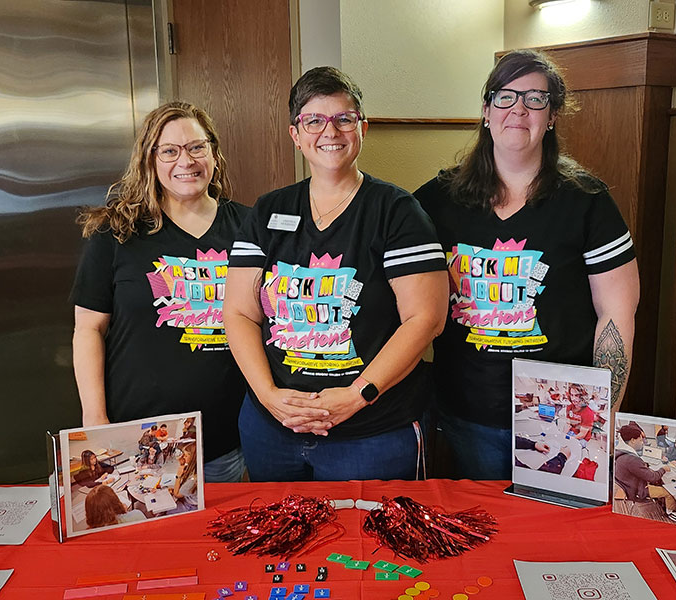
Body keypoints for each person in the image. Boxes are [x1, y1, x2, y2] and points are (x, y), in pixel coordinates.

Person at [414, 49, 639, 480]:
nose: (519, 108)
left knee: (550, 540)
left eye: (536, 98)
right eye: (505, 96)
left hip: (561, 420)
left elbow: (617, 313)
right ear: (486, 110)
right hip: (466, 413)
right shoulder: (436, 200)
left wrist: (599, 415)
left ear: (552, 115)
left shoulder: (587, 201)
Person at [224, 66, 448, 482]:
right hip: (273, 430)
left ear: (362, 128)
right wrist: (268, 396)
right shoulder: (268, 211)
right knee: (279, 545)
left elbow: (426, 319)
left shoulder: (397, 212)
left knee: (370, 545)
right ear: (296, 134)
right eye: (314, 120)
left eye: (344, 119)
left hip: (371, 432)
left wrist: (357, 395)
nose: (330, 131)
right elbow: (238, 313)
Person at [70, 102, 248, 483]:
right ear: (149, 160)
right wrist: (96, 421)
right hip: (136, 441)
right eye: (169, 150)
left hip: (226, 440)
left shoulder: (250, 229)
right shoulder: (116, 232)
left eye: (197, 147)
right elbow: (88, 329)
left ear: (214, 153)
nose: (186, 160)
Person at [614, 423, 676, 523]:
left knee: (659, 481)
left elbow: (637, 469)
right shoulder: (632, 460)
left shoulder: (620, 452)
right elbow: (652, 477)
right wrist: (663, 469)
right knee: (669, 492)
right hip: (637, 491)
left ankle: (663, 504)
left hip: (629, 486)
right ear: (633, 440)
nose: (642, 442)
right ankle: (671, 513)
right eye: (640, 440)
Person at [169, 444, 199, 512]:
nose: (183, 457)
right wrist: (182, 464)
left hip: (191, 505)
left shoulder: (193, 478)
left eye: (185, 455)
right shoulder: (193, 469)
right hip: (187, 499)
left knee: (166, 511)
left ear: (192, 458)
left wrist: (178, 476)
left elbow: (177, 494)